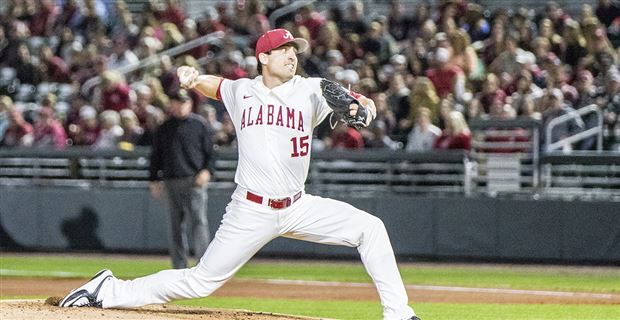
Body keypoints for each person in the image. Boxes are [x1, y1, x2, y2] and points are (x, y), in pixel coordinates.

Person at [59, 28, 420, 320]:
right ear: (263, 57)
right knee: (200, 282)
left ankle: (399, 314)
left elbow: (360, 103)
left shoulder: (312, 89)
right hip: (251, 209)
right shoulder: (243, 91)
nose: (292, 55)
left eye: (294, 50)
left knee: (370, 228)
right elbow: (214, 85)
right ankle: (108, 290)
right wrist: (192, 77)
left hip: (298, 205)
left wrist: (366, 109)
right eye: (283, 49)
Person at [149, 89, 215, 269]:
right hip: (171, 180)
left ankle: (204, 264)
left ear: (190, 104)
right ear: (172, 104)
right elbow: (156, 156)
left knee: (199, 221)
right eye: (177, 102)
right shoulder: (164, 127)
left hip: (194, 180)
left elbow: (210, 153)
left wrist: (207, 171)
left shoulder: (199, 125)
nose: (181, 106)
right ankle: (179, 266)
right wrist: (154, 179)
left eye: (184, 102)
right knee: (175, 226)